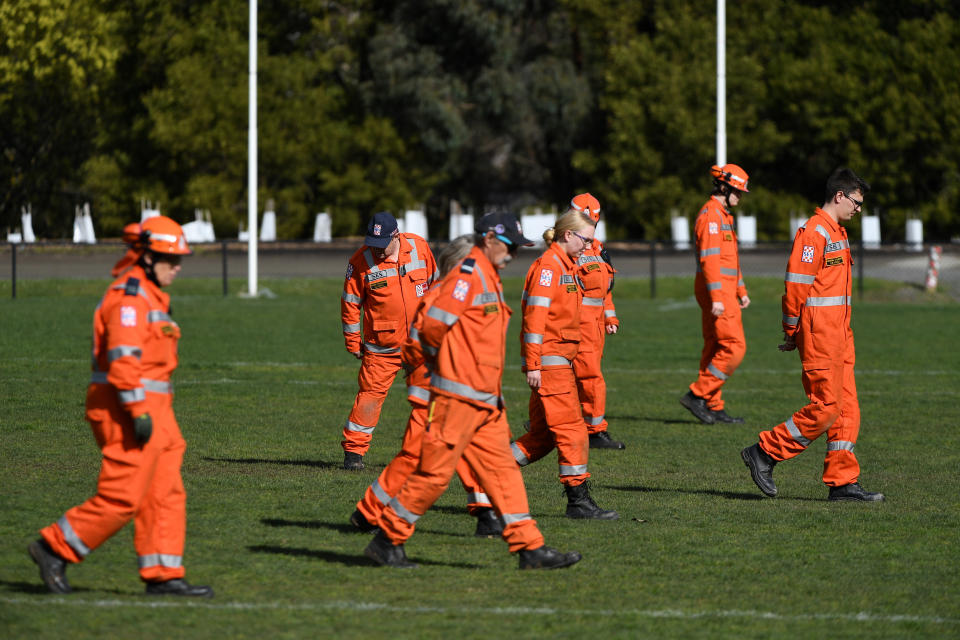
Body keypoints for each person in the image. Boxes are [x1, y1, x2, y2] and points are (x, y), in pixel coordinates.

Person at [364, 212, 581, 569]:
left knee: (504, 473)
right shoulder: (468, 275)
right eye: (510, 246)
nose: (513, 254)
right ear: (490, 240)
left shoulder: (487, 275)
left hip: (484, 402)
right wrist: (443, 372)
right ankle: (387, 538)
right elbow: (430, 326)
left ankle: (530, 548)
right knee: (434, 475)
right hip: (458, 400)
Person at [28, 216, 213, 597]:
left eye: (180, 259)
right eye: (169, 258)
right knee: (123, 497)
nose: (177, 266)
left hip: (157, 411)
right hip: (126, 409)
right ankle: (52, 548)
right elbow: (123, 359)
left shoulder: (149, 294)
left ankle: (163, 574)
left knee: (165, 492)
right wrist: (138, 410)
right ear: (145, 255)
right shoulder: (129, 297)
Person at [741, 167, 884, 502]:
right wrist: (792, 329)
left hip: (840, 336)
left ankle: (842, 482)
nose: (858, 209)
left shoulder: (837, 231)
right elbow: (796, 286)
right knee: (826, 407)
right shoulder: (814, 232)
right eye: (856, 202)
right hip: (819, 335)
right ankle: (764, 452)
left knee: (848, 409)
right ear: (839, 196)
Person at [351, 235, 504, 539]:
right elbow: (419, 344)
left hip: (461, 393)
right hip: (436, 393)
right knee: (417, 456)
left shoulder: (469, 288)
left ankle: (486, 514)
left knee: (471, 448)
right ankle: (371, 514)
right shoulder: (447, 294)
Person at [511, 210, 618, 520]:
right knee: (573, 429)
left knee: (541, 437)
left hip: (558, 358)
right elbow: (535, 319)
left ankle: (484, 474)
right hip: (549, 361)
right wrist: (533, 363)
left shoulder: (565, 265)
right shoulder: (548, 267)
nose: (589, 245)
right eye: (585, 239)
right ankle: (578, 500)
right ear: (568, 235)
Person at [340, 212, 438, 470]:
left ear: (396, 235)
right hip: (381, 348)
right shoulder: (360, 261)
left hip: (420, 344)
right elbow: (351, 304)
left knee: (428, 399)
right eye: (373, 244)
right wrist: (353, 340)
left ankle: (422, 452)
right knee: (369, 398)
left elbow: (437, 287)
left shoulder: (419, 247)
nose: (378, 251)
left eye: (382, 244)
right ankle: (353, 454)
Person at [680, 163, 752, 425]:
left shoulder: (721, 216)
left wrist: (741, 290)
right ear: (724, 187)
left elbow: (729, 260)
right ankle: (697, 395)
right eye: (738, 191)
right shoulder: (711, 216)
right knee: (734, 347)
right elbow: (710, 262)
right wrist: (719, 299)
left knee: (715, 346)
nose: (740, 196)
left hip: (723, 289)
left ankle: (712, 404)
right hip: (717, 291)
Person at [569, 193, 623, 450]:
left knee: (578, 377)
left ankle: (548, 423)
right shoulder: (566, 251)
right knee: (589, 377)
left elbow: (604, 290)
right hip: (576, 326)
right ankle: (594, 430)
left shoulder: (599, 249)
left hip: (596, 327)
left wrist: (610, 315)